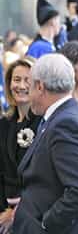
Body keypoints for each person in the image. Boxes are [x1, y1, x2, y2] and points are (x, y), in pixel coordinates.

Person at [13, 54, 78, 234]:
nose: (28, 93)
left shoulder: (66, 124)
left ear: (40, 86)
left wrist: (47, 223)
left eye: (30, 85)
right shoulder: (63, 116)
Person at [0, 57, 40, 233]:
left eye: (27, 80)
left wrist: (15, 213)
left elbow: (43, 178)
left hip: (31, 214)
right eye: (16, 80)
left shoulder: (43, 124)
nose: (21, 86)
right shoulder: (4, 123)